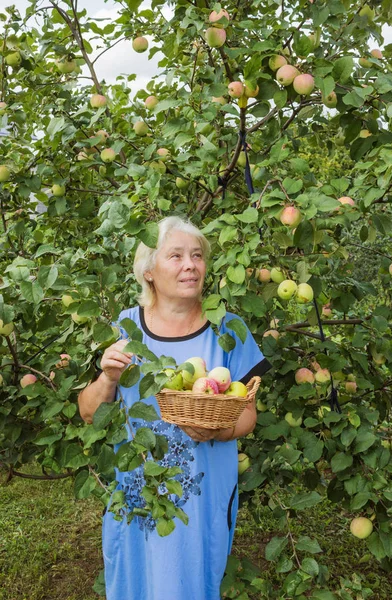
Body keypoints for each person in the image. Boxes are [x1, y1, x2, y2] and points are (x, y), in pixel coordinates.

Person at [78, 216, 271, 600]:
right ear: (149, 271)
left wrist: (218, 429)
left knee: (193, 584)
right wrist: (108, 379)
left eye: (197, 256)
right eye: (177, 256)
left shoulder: (228, 331)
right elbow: (89, 413)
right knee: (137, 581)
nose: (190, 265)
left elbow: (249, 414)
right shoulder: (126, 329)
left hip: (201, 496)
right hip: (138, 489)